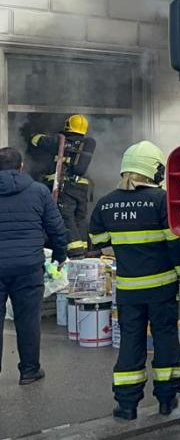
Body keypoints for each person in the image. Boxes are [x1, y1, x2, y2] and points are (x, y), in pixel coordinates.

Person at [88, 141, 180, 420]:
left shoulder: (106, 203)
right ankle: (166, 400)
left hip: (128, 291)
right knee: (165, 339)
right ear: (155, 170)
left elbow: (99, 241)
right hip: (162, 290)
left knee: (130, 343)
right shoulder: (161, 201)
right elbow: (178, 245)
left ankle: (127, 405)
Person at [0, 147, 68, 385]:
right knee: (28, 320)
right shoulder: (38, 191)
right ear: (21, 167)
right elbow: (56, 228)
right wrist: (59, 256)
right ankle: (29, 371)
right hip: (28, 268)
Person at [30, 114, 97, 258]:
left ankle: (75, 253)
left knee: (66, 218)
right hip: (82, 189)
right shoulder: (86, 143)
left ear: (68, 125)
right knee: (80, 219)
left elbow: (36, 140)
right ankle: (84, 251)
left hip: (66, 187)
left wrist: (33, 133)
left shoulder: (59, 140)